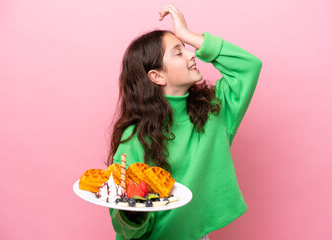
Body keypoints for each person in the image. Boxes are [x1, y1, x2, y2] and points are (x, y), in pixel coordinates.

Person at [107, 4, 262, 240]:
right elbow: (126, 229)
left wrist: (189, 35)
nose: (192, 54)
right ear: (157, 76)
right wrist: (129, 212)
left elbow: (249, 67)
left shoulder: (215, 110)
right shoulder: (134, 138)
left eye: (186, 48)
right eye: (179, 52)